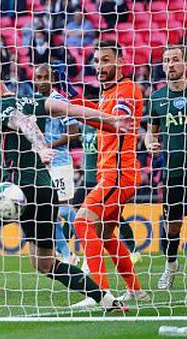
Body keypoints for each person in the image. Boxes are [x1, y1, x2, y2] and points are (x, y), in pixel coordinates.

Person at [0, 65, 129, 312]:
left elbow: (22, 122)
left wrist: (42, 146)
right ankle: (107, 300)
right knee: (45, 264)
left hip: (18, 190)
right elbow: (71, 109)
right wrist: (109, 120)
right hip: (45, 191)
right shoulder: (35, 100)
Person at [70, 40, 147, 307]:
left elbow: (115, 125)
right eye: (97, 61)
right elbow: (102, 117)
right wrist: (74, 101)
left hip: (118, 174)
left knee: (82, 222)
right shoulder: (109, 92)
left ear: (120, 62)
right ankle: (136, 290)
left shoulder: (126, 91)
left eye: (106, 60)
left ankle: (98, 294)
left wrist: (75, 106)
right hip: (112, 174)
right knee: (103, 234)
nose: (100, 66)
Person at [145, 46, 187, 290]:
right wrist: (150, 143)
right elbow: (150, 133)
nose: (171, 64)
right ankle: (171, 265)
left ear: (186, 62)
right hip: (175, 171)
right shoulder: (156, 98)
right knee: (172, 224)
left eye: (175, 59)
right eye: (166, 60)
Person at [34, 64, 80, 266]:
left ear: (52, 78)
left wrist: (47, 145)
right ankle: (67, 254)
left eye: (45, 77)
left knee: (63, 208)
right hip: (43, 164)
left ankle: (89, 244)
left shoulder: (60, 102)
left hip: (60, 162)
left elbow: (74, 133)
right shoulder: (34, 103)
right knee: (47, 211)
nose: (42, 81)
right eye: (38, 77)